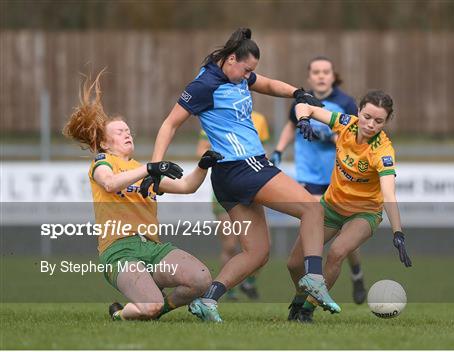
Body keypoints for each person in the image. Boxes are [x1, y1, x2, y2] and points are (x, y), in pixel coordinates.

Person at [148, 28, 340, 322]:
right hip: (244, 166)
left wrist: (297, 93)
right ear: (231, 59)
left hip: (229, 176)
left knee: (258, 252)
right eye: (246, 69)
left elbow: (267, 84)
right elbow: (169, 125)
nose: (248, 76)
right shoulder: (204, 85)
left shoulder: (236, 75)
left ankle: (208, 301)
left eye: (252, 71)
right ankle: (314, 277)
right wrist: (155, 166)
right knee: (312, 209)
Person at [63, 70, 223, 321]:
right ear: (105, 143)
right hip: (119, 251)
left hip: (151, 247)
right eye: (119, 131)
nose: (127, 134)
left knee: (201, 279)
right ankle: (119, 314)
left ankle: (162, 308)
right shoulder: (103, 162)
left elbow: (187, 186)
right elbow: (111, 184)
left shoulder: (143, 171)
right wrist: (149, 168)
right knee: (149, 306)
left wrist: (203, 166)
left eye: (128, 130)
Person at [286, 90, 412, 323]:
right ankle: (300, 299)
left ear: (387, 122)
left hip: (364, 213)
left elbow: (388, 193)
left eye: (378, 121)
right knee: (294, 263)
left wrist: (398, 232)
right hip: (331, 207)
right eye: (366, 117)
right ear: (358, 112)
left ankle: (307, 310)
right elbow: (306, 107)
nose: (370, 124)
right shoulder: (345, 123)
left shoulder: (383, 151)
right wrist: (304, 119)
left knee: (337, 252)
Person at [270, 56, 368, 308]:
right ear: (309, 76)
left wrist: (330, 135)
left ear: (333, 76)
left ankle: (355, 272)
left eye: (326, 71)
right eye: (316, 72)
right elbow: (292, 126)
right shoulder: (302, 101)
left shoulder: (345, 103)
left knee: (344, 237)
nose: (321, 76)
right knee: (314, 234)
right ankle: (308, 293)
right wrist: (279, 150)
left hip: (339, 180)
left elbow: (357, 138)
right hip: (309, 179)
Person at [196, 110, 270, 300]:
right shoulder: (217, 117)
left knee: (263, 245)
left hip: (251, 187)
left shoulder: (259, 119)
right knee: (230, 245)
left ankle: (249, 283)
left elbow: (263, 151)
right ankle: (228, 289)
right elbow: (201, 150)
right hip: (226, 190)